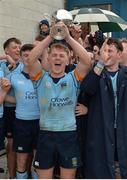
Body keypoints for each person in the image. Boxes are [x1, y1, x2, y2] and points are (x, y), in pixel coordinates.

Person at [27, 22, 91, 179]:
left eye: (61, 55)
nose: (57, 58)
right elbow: (30, 60)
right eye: (54, 55)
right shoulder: (40, 78)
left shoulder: (73, 78)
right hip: (45, 135)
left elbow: (87, 62)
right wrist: (51, 35)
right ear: (48, 59)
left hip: (68, 135)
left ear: (68, 60)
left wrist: (68, 37)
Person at [80, 37, 127, 178]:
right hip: (102, 132)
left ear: (119, 54)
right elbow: (87, 89)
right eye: (104, 50)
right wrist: (100, 62)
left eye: (110, 50)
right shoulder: (97, 74)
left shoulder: (125, 74)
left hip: (122, 131)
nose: (107, 54)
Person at [6, 43, 40, 179]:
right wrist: (18, 100)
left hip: (40, 122)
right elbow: (3, 94)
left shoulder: (44, 75)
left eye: (32, 55)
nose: (28, 58)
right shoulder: (13, 76)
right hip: (21, 123)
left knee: (38, 162)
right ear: (20, 58)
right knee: (21, 161)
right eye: (25, 55)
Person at [0, 37, 23, 178]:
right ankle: (11, 174)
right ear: (6, 50)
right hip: (8, 110)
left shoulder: (25, 65)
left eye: (19, 47)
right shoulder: (2, 66)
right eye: (14, 47)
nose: (18, 50)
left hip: (23, 112)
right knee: (11, 143)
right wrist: (7, 58)